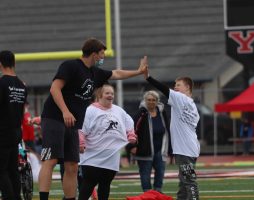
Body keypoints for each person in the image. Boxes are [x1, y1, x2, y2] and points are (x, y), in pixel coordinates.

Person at [38, 37, 147, 200]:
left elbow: (116, 73)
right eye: (101, 54)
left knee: (73, 165)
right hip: (55, 118)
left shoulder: (95, 73)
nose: (103, 57)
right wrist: (65, 111)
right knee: (50, 160)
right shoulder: (71, 66)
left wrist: (138, 72)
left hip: (73, 124)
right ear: (94, 53)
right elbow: (55, 88)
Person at [143, 58, 200, 200]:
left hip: (185, 149)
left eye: (178, 85)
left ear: (187, 88)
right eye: (175, 85)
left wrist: (148, 77)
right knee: (183, 182)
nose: (175, 87)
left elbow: (163, 89)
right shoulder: (192, 105)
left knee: (188, 181)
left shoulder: (181, 99)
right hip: (190, 148)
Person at [78, 84, 137, 200]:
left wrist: (131, 134)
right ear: (100, 95)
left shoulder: (118, 110)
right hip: (92, 156)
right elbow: (81, 128)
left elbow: (129, 122)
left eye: (112, 93)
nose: (110, 95)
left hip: (111, 156)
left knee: (105, 185)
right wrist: (81, 143)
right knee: (88, 185)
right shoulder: (90, 110)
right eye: (107, 93)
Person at [128, 90, 170, 193]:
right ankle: (147, 193)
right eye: (149, 100)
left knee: (160, 171)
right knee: (145, 173)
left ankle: (158, 191)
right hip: (144, 149)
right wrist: (132, 146)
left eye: (154, 100)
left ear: (157, 101)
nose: (151, 102)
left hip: (160, 149)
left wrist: (170, 148)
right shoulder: (141, 113)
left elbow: (167, 129)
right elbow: (133, 130)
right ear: (145, 101)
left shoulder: (162, 112)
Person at [0, 50, 27, 200]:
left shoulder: (2, 83)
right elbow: (22, 111)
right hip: (16, 131)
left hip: (3, 132)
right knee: (12, 170)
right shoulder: (22, 85)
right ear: (14, 63)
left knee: (1, 171)